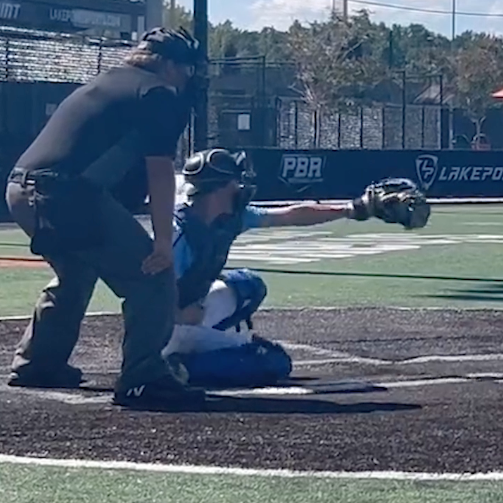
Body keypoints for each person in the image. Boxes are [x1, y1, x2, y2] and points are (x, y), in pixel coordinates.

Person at [5, 27, 206, 409]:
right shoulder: (157, 93)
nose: (188, 77)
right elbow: (160, 171)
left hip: (21, 189)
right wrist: (163, 242)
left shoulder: (108, 82)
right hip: (62, 194)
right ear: (165, 64)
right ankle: (143, 378)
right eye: (186, 68)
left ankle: (38, 364)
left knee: (77, 273)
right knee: (153, 274)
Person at [164, 148, 431, 388]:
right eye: (235, 181)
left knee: (249, 284)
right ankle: (179, 367)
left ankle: (206, 349)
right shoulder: (177, 233)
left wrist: (351, 210)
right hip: (165, 327)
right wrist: (177, 313)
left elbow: (291, 214)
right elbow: (150, 293)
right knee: (273, 362)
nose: (240, 186)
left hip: (188, 310)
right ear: (220, 188)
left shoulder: (229, 216)